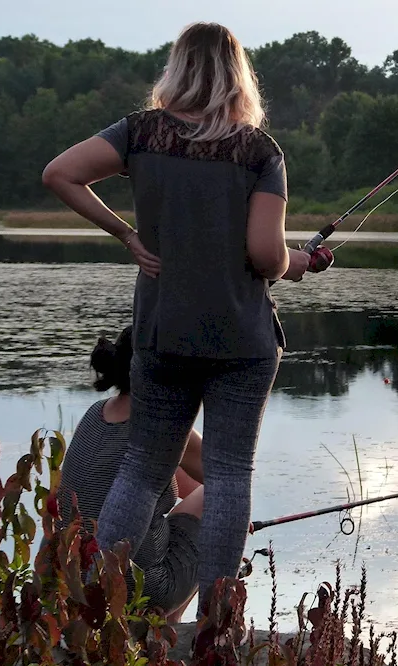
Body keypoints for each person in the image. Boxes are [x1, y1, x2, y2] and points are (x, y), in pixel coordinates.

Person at [41, 21, 320, 638]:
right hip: (242, 342)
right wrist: (295, 264)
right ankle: (217, 628)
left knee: (143, 470)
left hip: (162, 335)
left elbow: (59, 173)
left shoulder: (140, 134)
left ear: (176, 69)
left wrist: (126, 233)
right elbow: (263, 255)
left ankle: (98, 610)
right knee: (227, 478)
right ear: (237, 75)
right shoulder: (259, 151)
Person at [56, 327, 204, 623]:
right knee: (222, 499)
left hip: (78, 578)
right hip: (142, 588)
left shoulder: (96, 413)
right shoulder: (166, 426)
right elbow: (228, 478)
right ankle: (171, 622)